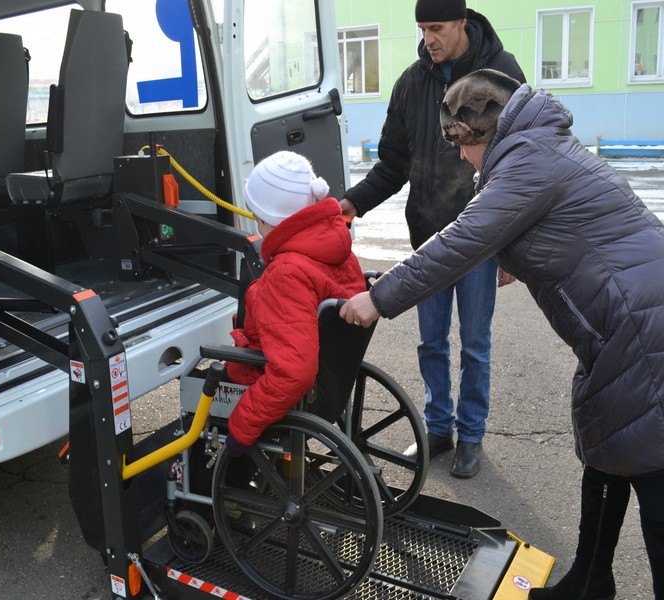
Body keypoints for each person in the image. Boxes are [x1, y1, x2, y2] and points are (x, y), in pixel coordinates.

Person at [340, 68, 664, 600]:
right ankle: (589, 582)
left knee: (653, 470)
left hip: (640, 325)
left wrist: (377, 300)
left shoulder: (527, 161)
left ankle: (593, 583)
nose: (464, 160)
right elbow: (542, 226)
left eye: (463, 147)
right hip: (626, 321)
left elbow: (461, 239)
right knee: (610, 444)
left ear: (479, 133)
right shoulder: (538, 147)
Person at [340, 0, 525, 478]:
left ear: (463, 23)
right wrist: (350, 204)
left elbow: (522, 164)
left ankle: (472, 436)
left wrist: (513, 248)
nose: (429, 39)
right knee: (431, 344)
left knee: (475, 344)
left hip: (482, 238)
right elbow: (391, 165)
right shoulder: (410, 83)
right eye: (422, 29)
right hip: (428, 236)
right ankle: (438, 430)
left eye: (437, 27)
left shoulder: (501, 74)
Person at [222, 151, 367, 456]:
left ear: (266, 218)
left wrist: (240, 427)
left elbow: (293, 372)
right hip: (334, 380)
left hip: (297, 390)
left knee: (213, 385)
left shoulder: (286, 272)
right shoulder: (338, 251)